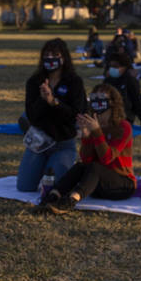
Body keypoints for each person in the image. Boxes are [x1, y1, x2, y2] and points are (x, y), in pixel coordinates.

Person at [38, 84, 135, 213]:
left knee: (96, 166)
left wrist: (96, 132)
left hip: (122, 184)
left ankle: (71, 201)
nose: (97, 101)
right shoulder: (94, 125)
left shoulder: (123, 126)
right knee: (80, 166)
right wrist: (86, 136)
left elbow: (107, 159)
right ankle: (53, 195)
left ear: (112, 102)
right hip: (99, 184)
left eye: (101, 97)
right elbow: (86, 160)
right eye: (94, 98)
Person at [16, 38, 87, 193]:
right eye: (46, 54)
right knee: (24, 187)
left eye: (55, 54)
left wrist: (54, 102)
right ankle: (41, 167)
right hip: (38, 142)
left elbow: (75, 115)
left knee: (54, 188)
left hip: (63, 143)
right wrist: (43, 100)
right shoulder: (34, 82)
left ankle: (56, 166)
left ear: (64, 57)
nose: (50, 58)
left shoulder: (74, 82)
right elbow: (32, 116)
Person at [103, 50, 141, 131]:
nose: (112, 69)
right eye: (111, 66)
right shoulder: (108, 80)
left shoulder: (130, 81)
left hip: (124, 116)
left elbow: (138, 102)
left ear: (124, 67)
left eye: (116, 66)